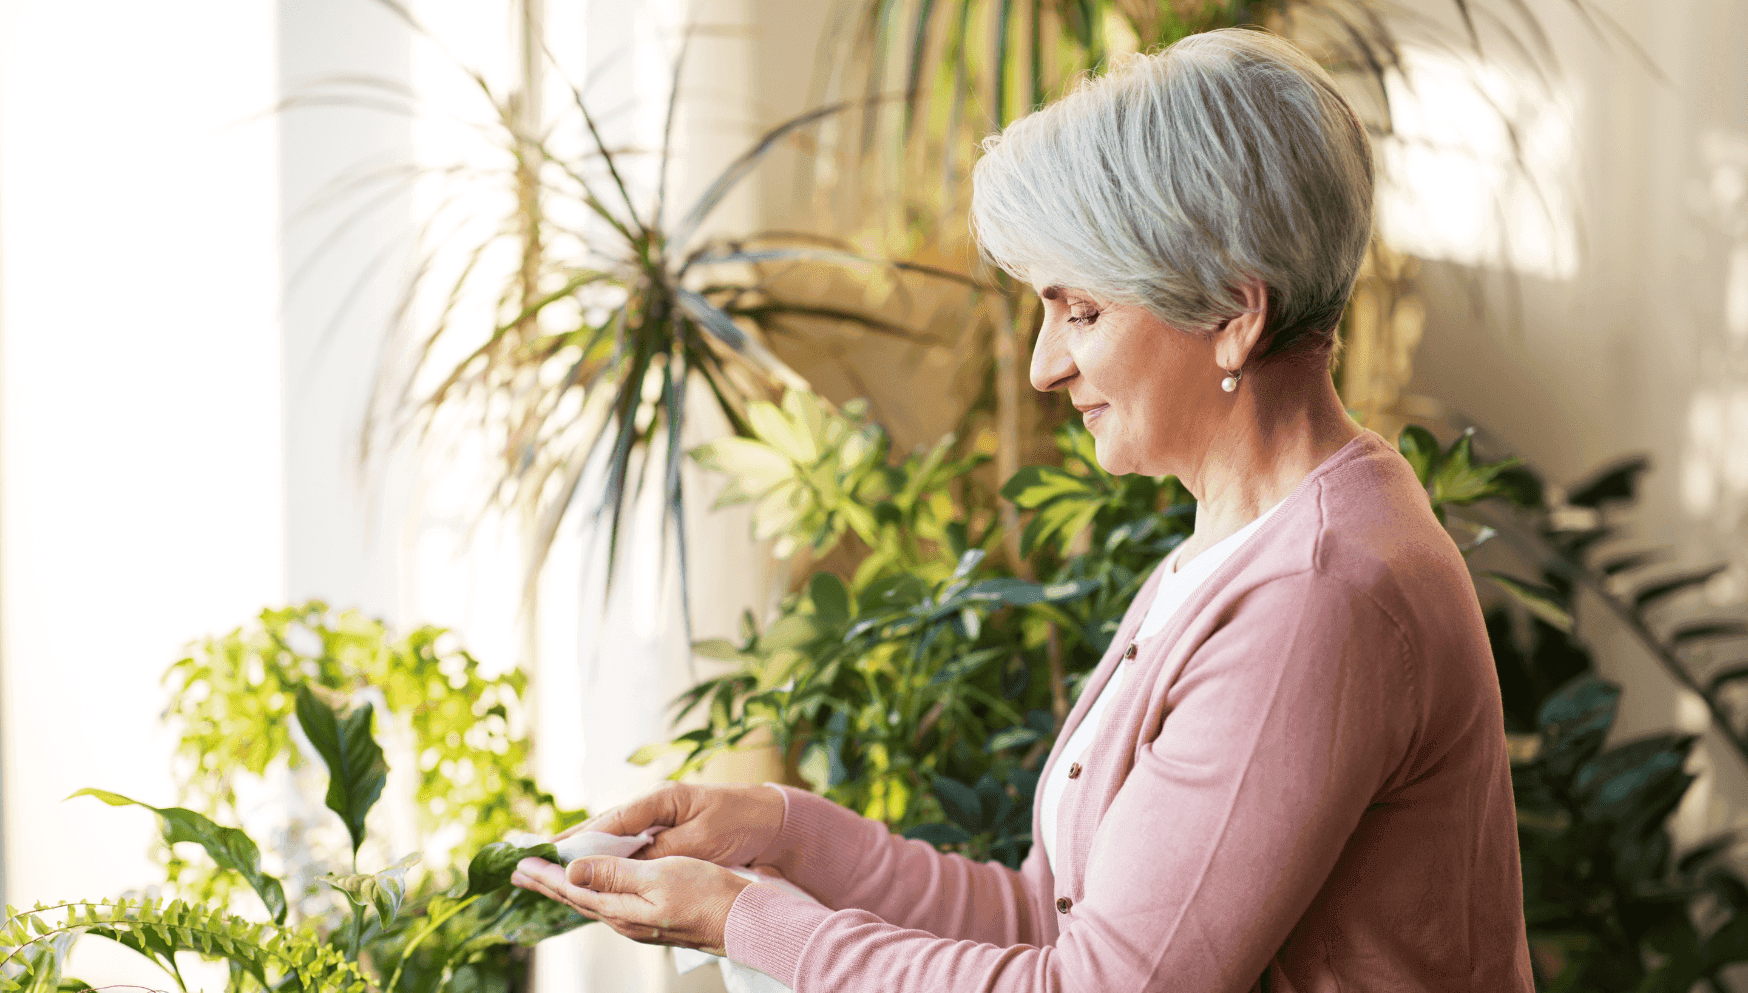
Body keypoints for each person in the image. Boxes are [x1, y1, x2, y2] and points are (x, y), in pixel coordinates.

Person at [511, 24, 1534, 991]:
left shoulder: (1317, 594)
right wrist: (783, 836)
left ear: (1231, 311)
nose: (1046, 366)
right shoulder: (1240, 545)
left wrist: (748, 920)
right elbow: (1055, 919)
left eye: (1081, 311)